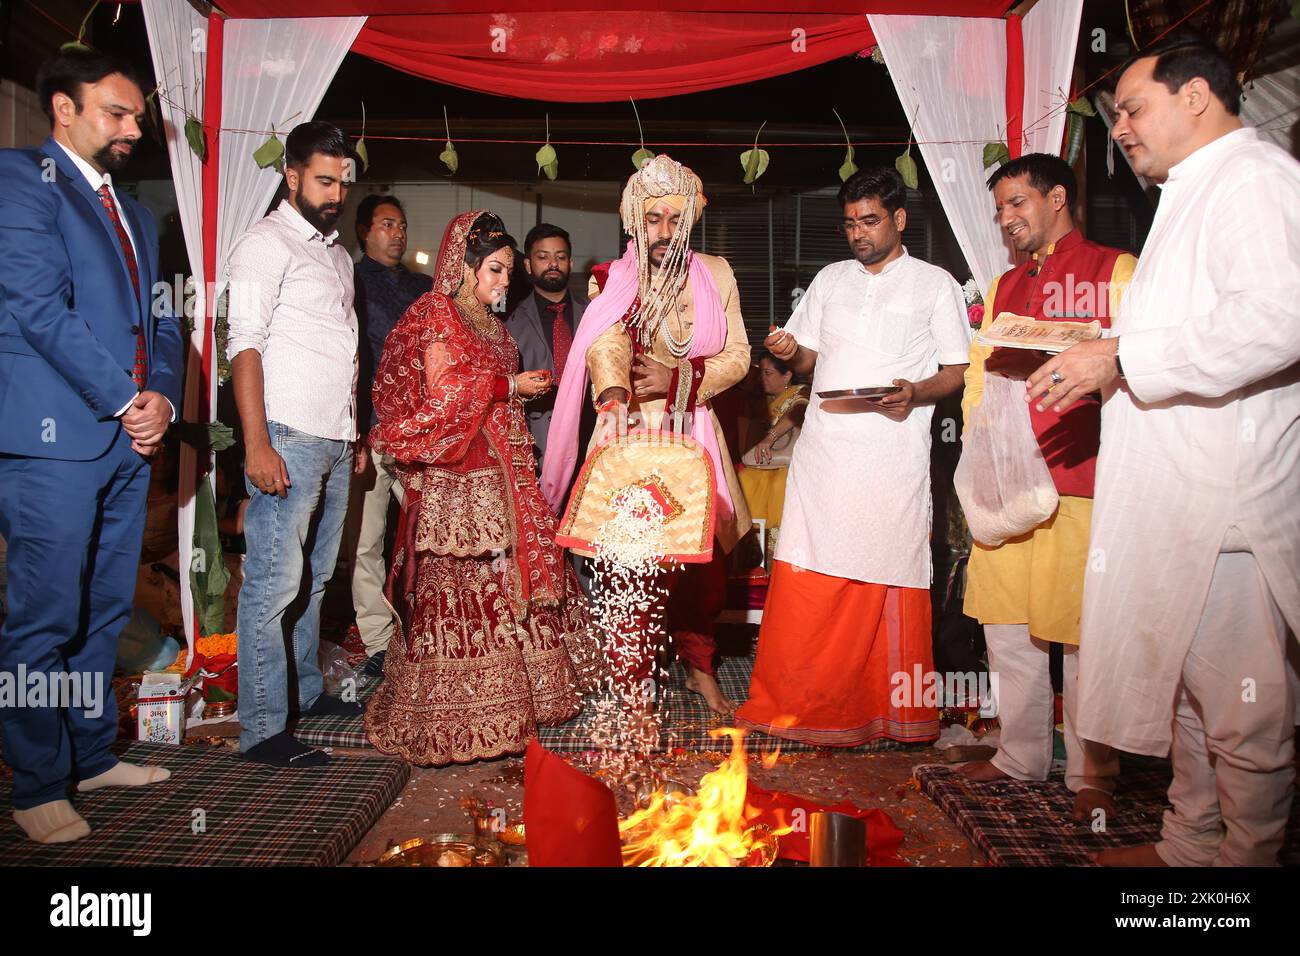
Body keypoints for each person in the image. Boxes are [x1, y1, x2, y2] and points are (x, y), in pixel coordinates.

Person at [1026, 35, 1300, 866]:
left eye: (1134, 109)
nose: (1122, 131)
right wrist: (1105, 346)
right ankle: (1188, 848)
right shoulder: (1194, 189)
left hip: (1228, 499)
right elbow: (1190, 327)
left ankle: (1246, 864)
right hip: (1180, 498)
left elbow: (1277, 320)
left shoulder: (1255, 181)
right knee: (1190, 692)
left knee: (1242, 711)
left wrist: (1120, 357)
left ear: (1197, 98)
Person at [0, 49, 183, 842]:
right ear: (64, 109)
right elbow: (40, 311)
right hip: (53, 441)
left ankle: (88, 752)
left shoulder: (136, 213)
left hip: (129, 442)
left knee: (105, 611)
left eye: (138, 115)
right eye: (117, 112)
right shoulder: (18, 180)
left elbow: (168, 317)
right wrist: (121, 399)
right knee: (43, 617)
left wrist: (164, 397)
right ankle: (37, 780)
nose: (134, 127)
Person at [736, 166, 970, 746]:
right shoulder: (831, 279)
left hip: (893, 454)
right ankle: (799, 706)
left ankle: (881, 713)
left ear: (899, 219)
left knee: (887, 566)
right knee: (809, 565)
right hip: (825, 453)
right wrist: (790, 351)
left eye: (869, 221)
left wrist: (916, 393)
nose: (858, 233)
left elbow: (957, 371)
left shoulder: (934, 284)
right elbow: (809, 360)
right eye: (849, 224)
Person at [363, 210, 602, 766]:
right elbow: (444, 393)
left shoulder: (491, 324)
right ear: (464, 266)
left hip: (504, 468)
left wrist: (515, 391)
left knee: (512, 580)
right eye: (494, 270)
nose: (503, 282)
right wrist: (505, 385)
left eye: (506, 272)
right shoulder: (436, 312)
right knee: (467, 583)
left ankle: (522, 698)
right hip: (460, 476)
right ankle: (459, 710)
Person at [541, 155, 752, 716]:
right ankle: (633, 687)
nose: (664, 231)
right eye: (653, 218)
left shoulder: (718, 273)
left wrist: (680, 378)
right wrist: (612, 391)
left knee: (703, 568)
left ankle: (699, 669)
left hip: (696, 430)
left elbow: (738, 355)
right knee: (630, 563)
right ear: (635, 220)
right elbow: (605, 340)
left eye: (675, 218)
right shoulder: (612, 277)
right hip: (629, 429)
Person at [957, 153, 1134, 820]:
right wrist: (979, 455)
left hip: (1082, 473)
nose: (1006, 219)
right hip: (1006, 478)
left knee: (1082, 632)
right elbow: (980, 375)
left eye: (1017, 204)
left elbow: (1142, 364)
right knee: (1008, 626)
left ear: (1057, 197)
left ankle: (1094, 771)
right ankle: (1019, 756)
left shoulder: (1116, 271)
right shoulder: (1003, 285)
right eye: (1000, 209)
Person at [226, 122, 367, 767]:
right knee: (273, 583)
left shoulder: (335, 253)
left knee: (313, 582)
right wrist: (256, 442)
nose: (336, 192)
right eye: (324, 180)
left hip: (334, 438)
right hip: (285, 434)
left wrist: (353, 433)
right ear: (291, 177)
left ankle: (306, 695)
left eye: (344, 181)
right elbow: (245, 346)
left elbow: (338, 350)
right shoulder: (264, 243)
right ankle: (260, 730)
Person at [348, 194, 432, 677]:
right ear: (365, 231)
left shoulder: (425, 288)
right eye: (386, 225)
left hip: (421, 433)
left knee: (432, 536)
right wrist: (359, 429)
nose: (397, 233)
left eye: (401, 225)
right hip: (371, 430)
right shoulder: (351, 281)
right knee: (367, 540)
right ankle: (379, 639)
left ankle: (428, 628)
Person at [504, 222, 593, 478]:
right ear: (529, 265)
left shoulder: (592, 315)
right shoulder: (510, 323)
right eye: (543, 257)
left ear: (571, 264)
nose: (553, 264)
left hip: (589, 436)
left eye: (561, 257)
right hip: (537, 446)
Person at [736, 352, 808, 557]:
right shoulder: (763, 401)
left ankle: (777, 553)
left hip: (789, 464)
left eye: (768, 373)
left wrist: (770, 438)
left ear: (787, 376)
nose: (762, 379)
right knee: (744, 480)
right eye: (761, 374)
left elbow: (798, 412)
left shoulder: (799, 393)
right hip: (763, 465)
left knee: (779, 486)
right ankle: (752, 552)